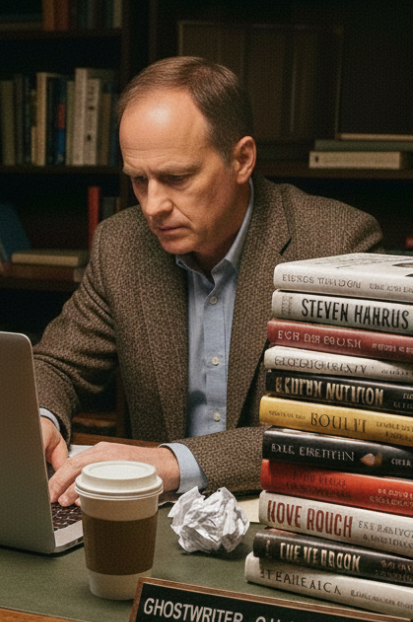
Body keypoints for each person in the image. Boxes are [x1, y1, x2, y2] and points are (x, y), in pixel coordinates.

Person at [34, 56, 383, 506]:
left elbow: (334, 426)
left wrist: (172, 463)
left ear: (241, 159)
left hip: (281, 518)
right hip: (159, 526)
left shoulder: (336, 245)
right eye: (139, 180)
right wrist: (40, 418)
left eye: (176, 178)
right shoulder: (121, 245)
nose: (153, 205)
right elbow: (58, 364)